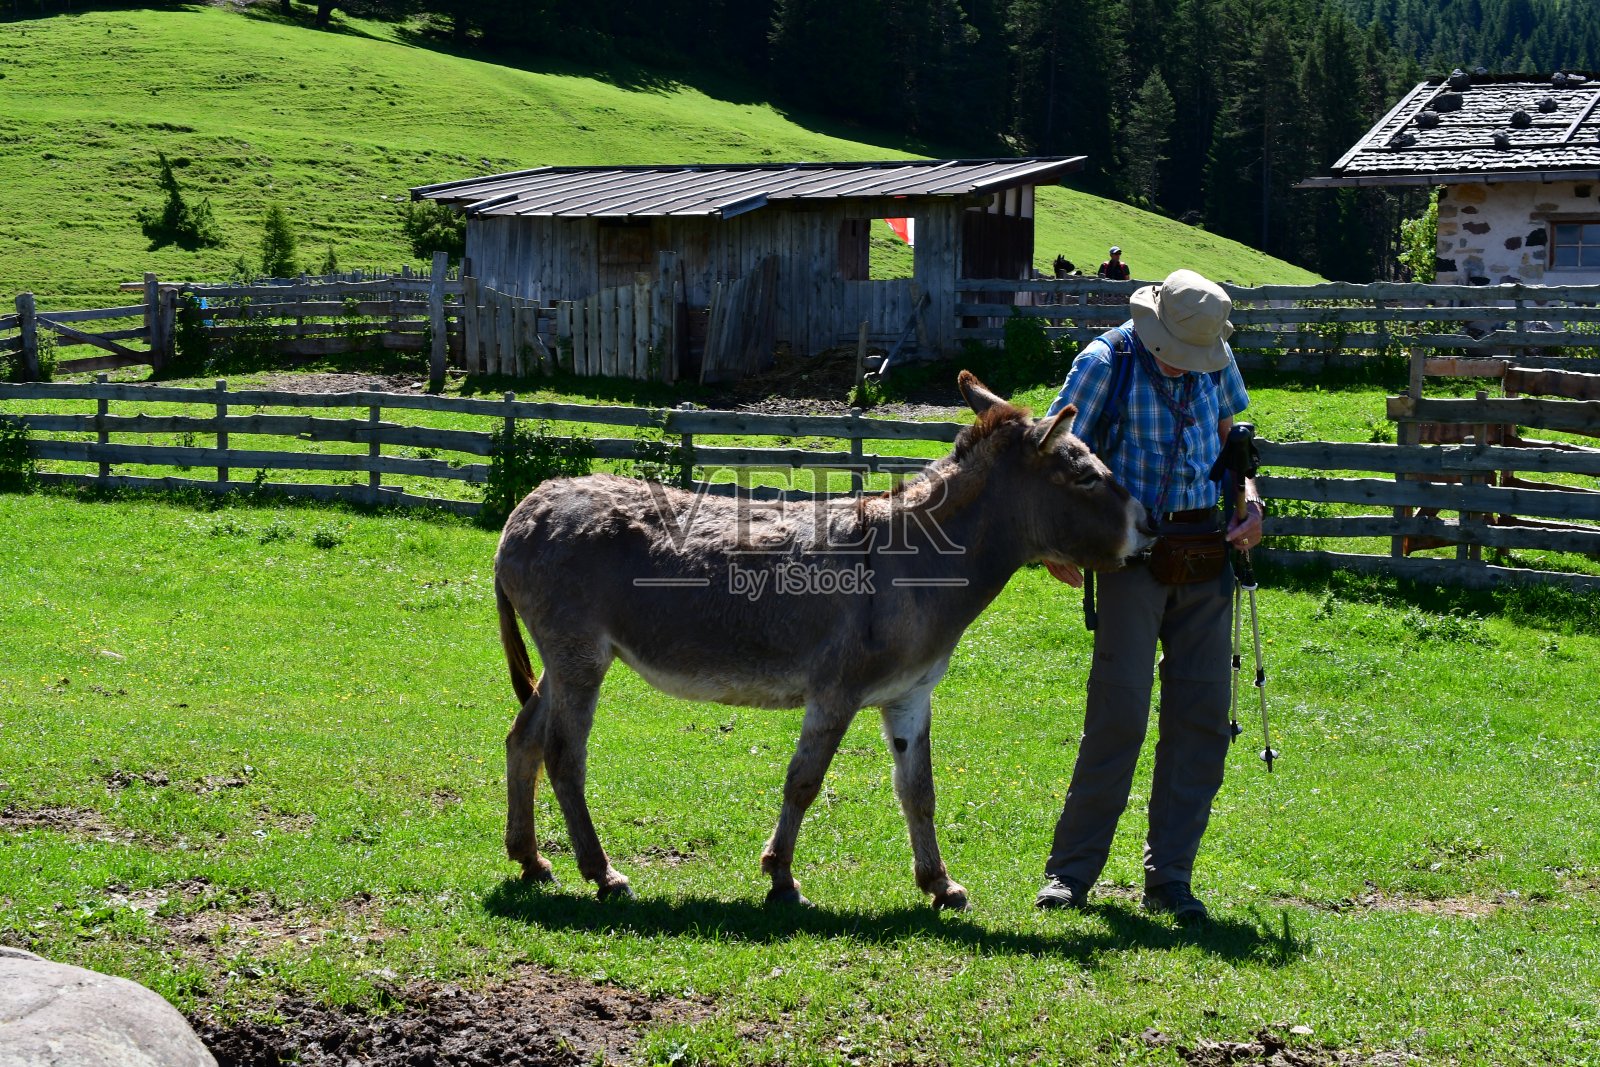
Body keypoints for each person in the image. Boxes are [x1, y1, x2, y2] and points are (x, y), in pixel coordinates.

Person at [1034, 268, 1263, 924]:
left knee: (1201, 718)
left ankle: (1171, 877)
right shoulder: (1105, 361)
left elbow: (1229, 441)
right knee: (1120, 715)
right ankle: (1070, 873)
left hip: (1207, 555)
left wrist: (1250, 504)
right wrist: (1057, 544)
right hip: (1131, 556)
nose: (1187, 366)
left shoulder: (1212, 353)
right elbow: (1049, 454)